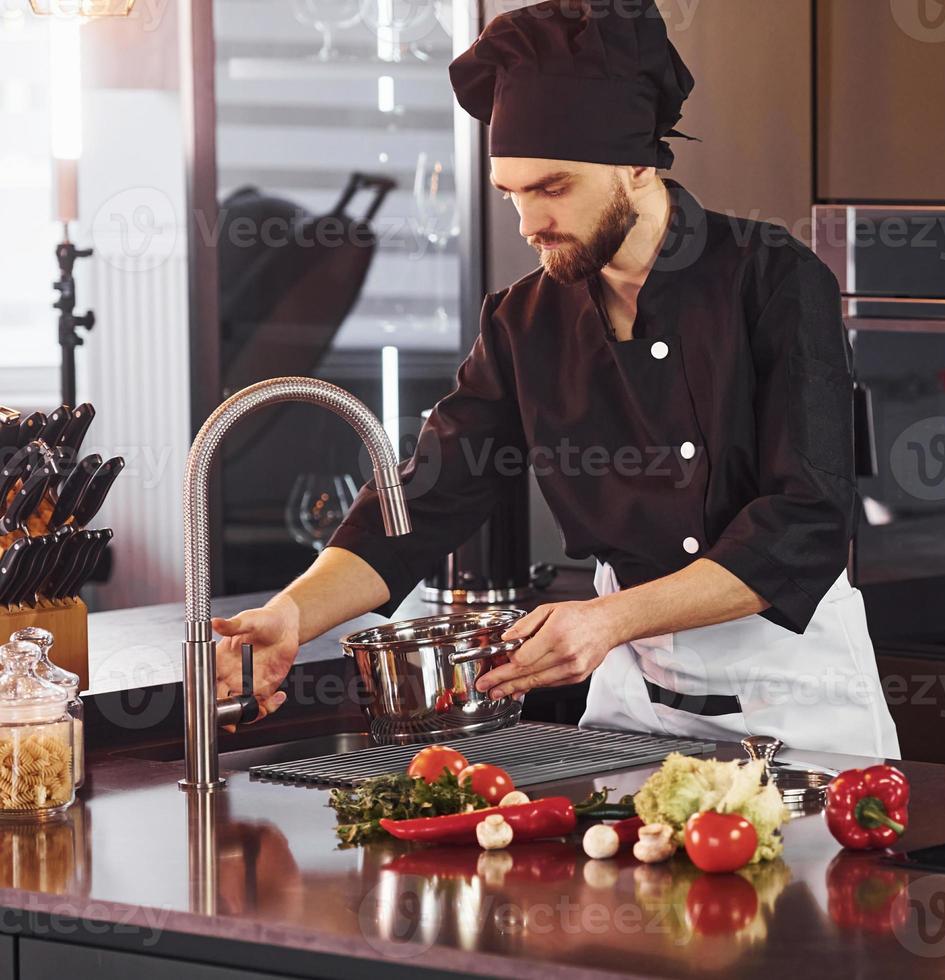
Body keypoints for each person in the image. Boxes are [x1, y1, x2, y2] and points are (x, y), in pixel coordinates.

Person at [212, 0, 899, 758]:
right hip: (636, 710)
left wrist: (605, 621)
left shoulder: (773, 281)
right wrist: (290, 617)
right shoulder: (524, 322)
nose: (527, 223)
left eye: (553, 188)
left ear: (638, 162)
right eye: (513, 193)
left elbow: (805, 522)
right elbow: (422, 503)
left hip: (801, 710)